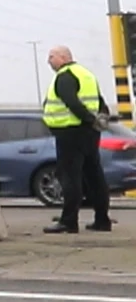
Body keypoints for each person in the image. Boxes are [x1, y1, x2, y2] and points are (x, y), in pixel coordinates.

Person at [43, 45, 112, 234]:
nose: (48, 61)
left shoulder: (65, 76)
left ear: (64, 57)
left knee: (70, 177)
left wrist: (89, 118)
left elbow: (72, 102)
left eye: (52, 56)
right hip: (89, 133)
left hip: (70, 132)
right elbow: (100, 101)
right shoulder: (86, 74)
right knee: (94, 176)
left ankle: (69, 221)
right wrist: (100, 120)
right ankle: (102, 220)